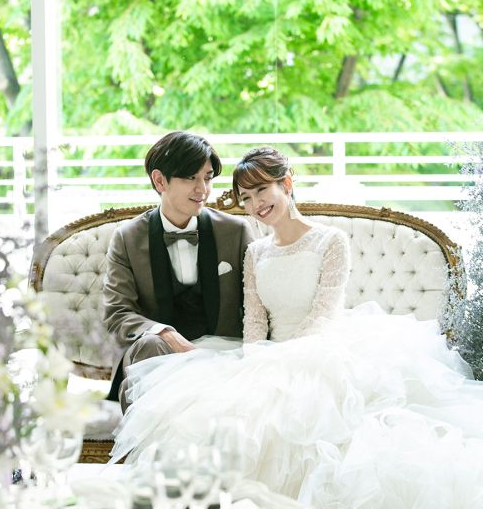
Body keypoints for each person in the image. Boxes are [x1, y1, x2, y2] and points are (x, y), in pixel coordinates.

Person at [110, 147, 483, 508]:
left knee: (312, 423)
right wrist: (253, 359)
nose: (255, 204)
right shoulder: (255, 251)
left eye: (261, 190)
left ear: (286, 183)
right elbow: (254, 319)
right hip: (263, 354)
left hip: (321, 351)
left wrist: (282, 361)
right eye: (246, 197)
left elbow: (323, 313)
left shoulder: (331, 240)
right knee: (208, 413)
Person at [103, 131, 254, 412]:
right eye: (190, 178)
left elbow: (256, 304)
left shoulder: (235, 232)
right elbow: (117, 313)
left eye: (207, 178)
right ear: (160, 180)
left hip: (221, 356)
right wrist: (165, 335)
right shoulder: (128, 237)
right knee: (150, 345)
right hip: (158, 359)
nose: (202, 189)